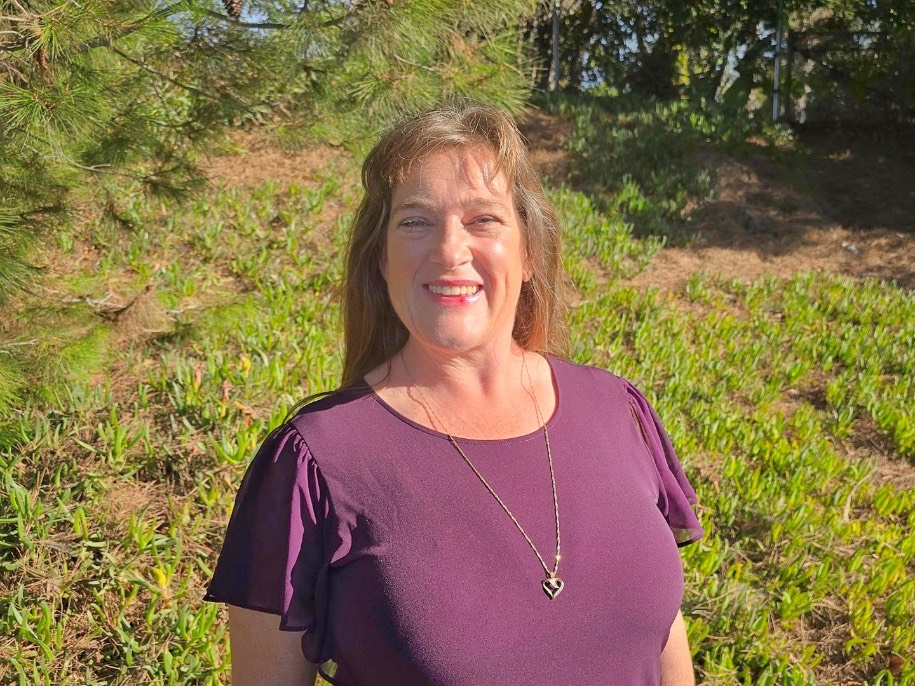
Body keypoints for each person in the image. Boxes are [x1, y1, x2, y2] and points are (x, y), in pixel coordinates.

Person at [204, 104, 704, 686]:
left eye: (483, 219)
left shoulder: (620, 411)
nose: (448, 249)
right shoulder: (315, 462)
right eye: (415, 221)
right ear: (381, 261)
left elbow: (665, 645)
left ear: (529, 254)